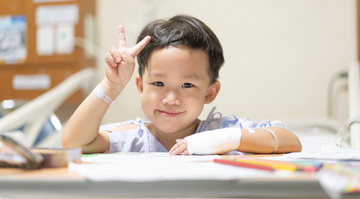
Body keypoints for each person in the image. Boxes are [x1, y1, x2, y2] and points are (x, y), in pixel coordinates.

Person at [62, 15, 302, 155]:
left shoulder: (221, 130)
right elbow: (73, 142)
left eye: (187, 85)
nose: (170, 98)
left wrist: (223, 140)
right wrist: (111, 86)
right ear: (140, 86)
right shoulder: (134, 138)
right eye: (158, 83)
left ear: (210, 92)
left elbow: (291, 140)